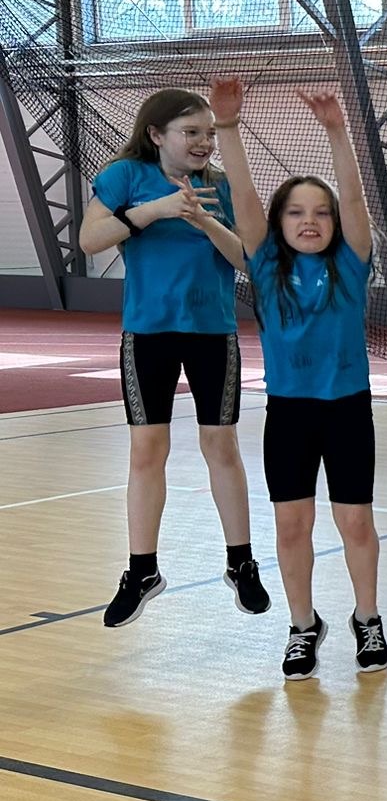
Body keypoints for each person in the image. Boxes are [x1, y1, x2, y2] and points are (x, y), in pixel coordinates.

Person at [79, 84, 269, 628]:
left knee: (221, 445)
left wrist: (204, 221)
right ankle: (142, 570)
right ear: (157, 135)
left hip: (212, 331)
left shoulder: (220, 186)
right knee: (147, 450)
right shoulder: (125, 177)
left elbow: (249, 260)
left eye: (209, 132)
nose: (204, 141)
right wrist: (155, 210)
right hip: (148, 333)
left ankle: (240, 562)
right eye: (191, 132)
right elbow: (90, 240)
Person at [214, 83, 386, 681]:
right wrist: (228, 127)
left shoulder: (351, 262)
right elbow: (242, 194)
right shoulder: (264, 263)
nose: (309, 221)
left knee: (355, 522)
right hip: (289, 413)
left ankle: (368, 618)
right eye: (295, 212)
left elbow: (355, 198)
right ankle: (302, 625)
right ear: (278, 222)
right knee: (292, 525)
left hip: (347, 410)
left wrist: (338, 132)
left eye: (320, 212)